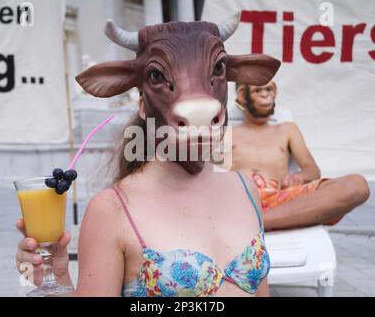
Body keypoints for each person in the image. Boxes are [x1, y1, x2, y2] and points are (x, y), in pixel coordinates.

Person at [15, 16, 281, 297]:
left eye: (217, 69)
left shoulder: (246, 188)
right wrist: (54, 280)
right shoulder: (111, 210)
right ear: (142, 105)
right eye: (156, 75)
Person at [229, 81, 370, 231]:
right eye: (258, 90)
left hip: (279, 200)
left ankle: (259, 222)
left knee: (357, 185)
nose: (265, 95)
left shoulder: (287, 129)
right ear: (243, 95)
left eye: (269, 89)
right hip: (237, 198)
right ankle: (266, 221)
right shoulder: (227, 133)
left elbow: (312, 170)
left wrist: (299, 177)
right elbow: (209, 174)